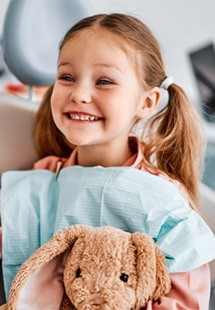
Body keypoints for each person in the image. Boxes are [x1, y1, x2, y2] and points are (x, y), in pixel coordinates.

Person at [1, 13, 215, 308]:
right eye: (67, 77)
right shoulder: (44, 177)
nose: (79, 94)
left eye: (104, 81)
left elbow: (187, 300)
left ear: (146, 102)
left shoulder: (161, 200)